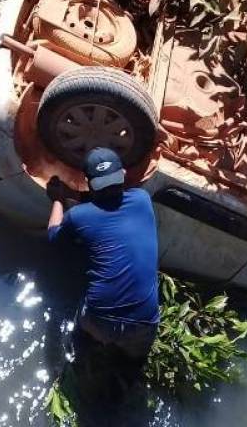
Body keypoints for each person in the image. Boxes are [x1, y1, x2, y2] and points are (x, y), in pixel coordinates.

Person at [46, 147, 159, 364]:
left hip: (100, 320)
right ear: (123, 175)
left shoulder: (77, 216)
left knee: (81, 354)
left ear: (89, 182)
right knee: (132, 366)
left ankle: (77, 361)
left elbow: (53, 237)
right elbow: (108, 200)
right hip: (144, 322)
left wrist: (58, 200)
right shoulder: (143, 200)